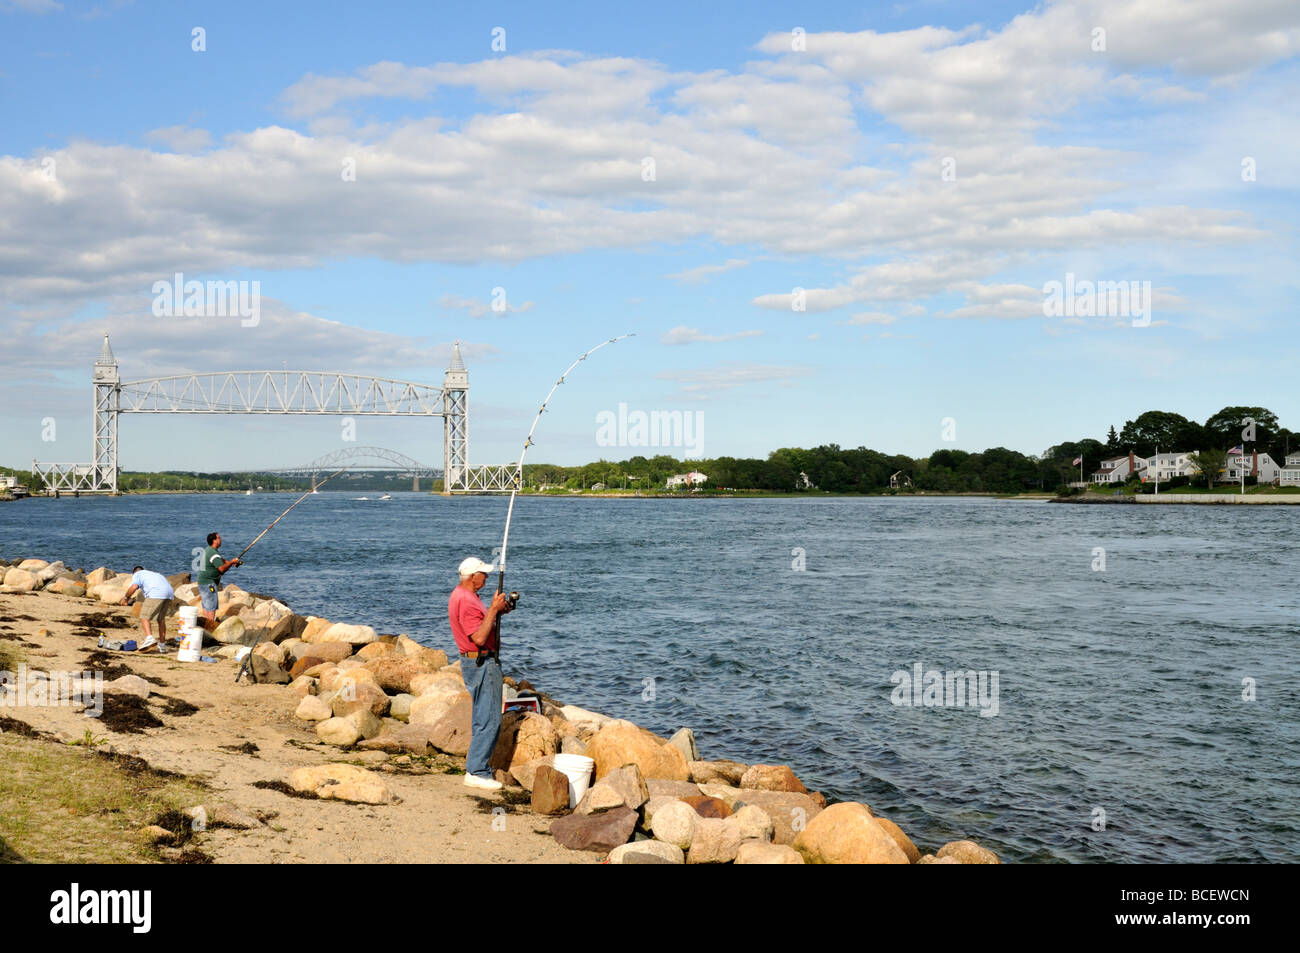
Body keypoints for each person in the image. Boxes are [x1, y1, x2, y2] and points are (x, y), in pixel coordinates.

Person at [449, 556, 510, 791]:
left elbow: (479, 626)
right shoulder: (466, 600)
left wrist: (497, 612)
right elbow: (479, 637)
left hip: (475, 662)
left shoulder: (463, 596)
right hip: (482, 662)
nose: (486, 577)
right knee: (490, 718)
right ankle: (477, 771)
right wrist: (493, 609)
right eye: (483, 574)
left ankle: (477, 767)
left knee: (481, 716)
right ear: (473, 576)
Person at [120, 565, 175, 652]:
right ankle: (162, 646)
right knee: (161, 620)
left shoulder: (137, 574)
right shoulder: (155, 574)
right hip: (169, 594)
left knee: (144, 616)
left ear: (134, 572)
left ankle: (149, 638)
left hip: (156, 593)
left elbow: (134, 587)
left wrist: (126, 598)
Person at [196, 531, 241, 622]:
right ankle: (211, 624)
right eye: (219, 538)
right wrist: (231, 562)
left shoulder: (209, 550)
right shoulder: (213, 553)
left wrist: (231, 563)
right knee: (211, 605)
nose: (221, 539)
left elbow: (221, 560)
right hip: (210, 585)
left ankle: (207, 623)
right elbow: (221, 569)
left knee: (206, 605)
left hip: (202, 582)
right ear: (214, 541)